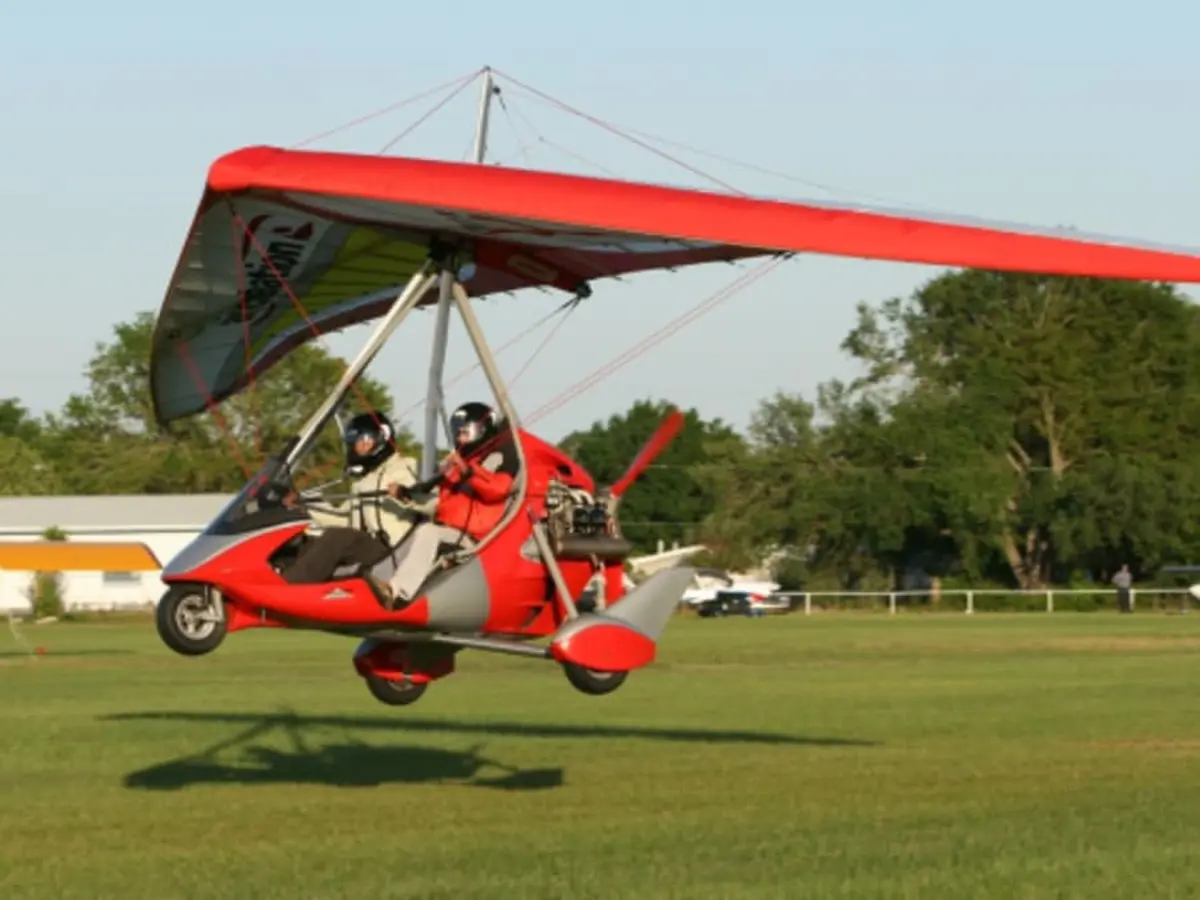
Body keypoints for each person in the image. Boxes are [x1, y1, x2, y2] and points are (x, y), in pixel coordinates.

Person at [378, 401, 518, 607]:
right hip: (450, 531)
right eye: (458, 433)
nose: (460, 438)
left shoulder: (498, 458)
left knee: (429, 532)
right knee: (418, 530)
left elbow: (498, 490)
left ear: (483, 430)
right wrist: (405, 495)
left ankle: (398, 593)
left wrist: (468, 471)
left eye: (465, 433)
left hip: (475, 539)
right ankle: (380, 584)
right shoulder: (456, 464)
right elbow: (437, 501)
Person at [280, 410, 434, 584]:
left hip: (396, 551)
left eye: (362, 442)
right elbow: (343, 519)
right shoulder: (363, 482)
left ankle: (285, 588)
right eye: (353, 442)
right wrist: (304, 506)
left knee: (338, 538)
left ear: (380, 439)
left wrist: (405, 495)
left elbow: (432, 502)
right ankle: (275, 580)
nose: (356, 448)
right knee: (310, 541)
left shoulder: (404, 467)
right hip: (370, 549)